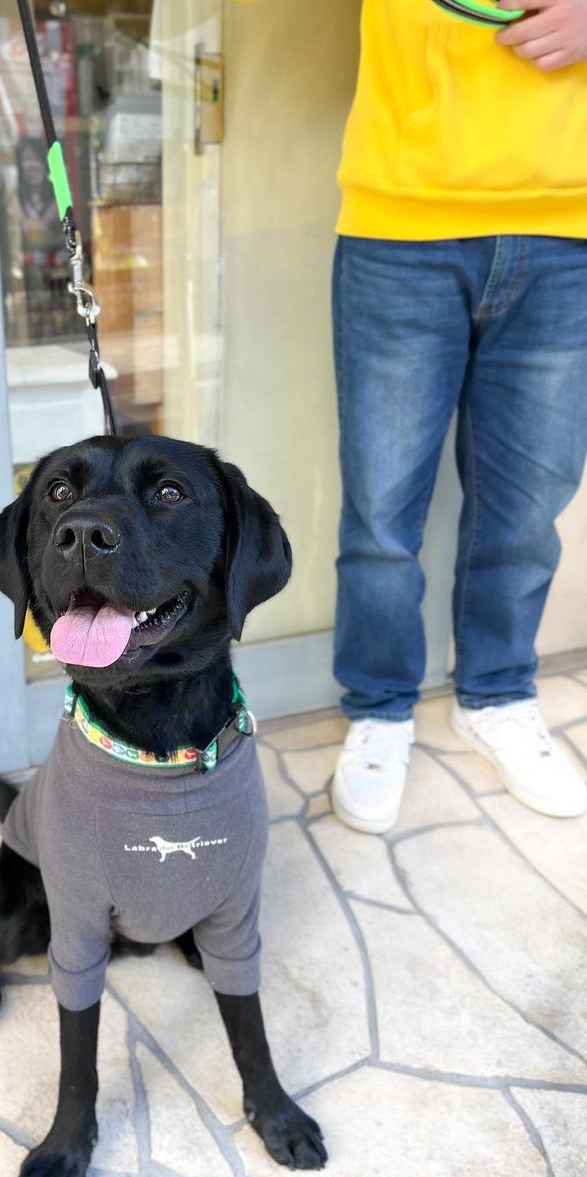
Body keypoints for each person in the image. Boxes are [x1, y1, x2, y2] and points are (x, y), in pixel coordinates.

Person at [330, 0, 587, 833]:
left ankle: (498, 695)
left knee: (527, 505)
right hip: (403, 215)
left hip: (571, 225)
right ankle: (378, 709)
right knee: (381, 510)